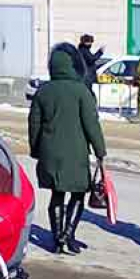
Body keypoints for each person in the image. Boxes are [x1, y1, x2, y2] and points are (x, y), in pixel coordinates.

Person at [29, 43, 107, 255]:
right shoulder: (81, 91)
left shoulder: (43, 92)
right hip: (76, 152)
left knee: (57, 194)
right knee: (78, 194)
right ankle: (68, 234)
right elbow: (91, 124)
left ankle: (56, 239)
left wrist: (36, 150)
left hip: (49, 151)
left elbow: (34, 123)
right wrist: (100, 150)